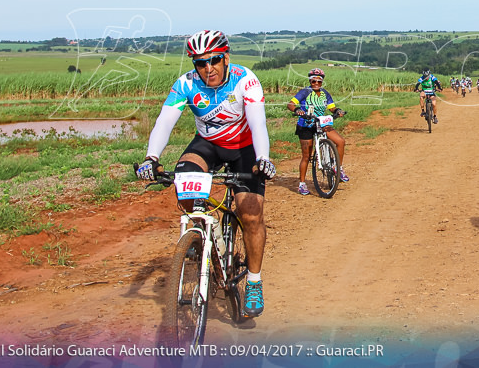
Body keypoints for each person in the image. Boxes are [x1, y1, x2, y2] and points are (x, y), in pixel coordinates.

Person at [136, 29, 275, 317]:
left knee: (249, 213)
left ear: (225, 58)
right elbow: (165, 121)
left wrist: (263, 159)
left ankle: (254, 281)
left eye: (213, 60)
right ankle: (202, 238)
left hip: (244, 147)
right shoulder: (186, 84)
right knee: (184, 185)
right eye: (200, 63)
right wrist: (151, 158)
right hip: (208, 144)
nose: (207, 68)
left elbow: (258, 124)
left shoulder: (244, 79)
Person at [287, 68, 350, 195]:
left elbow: (331, 107)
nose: (316, 83)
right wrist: (297, 110)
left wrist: (337, 111)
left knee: (340, 141)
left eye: (319, 81)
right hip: (306, 125)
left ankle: (338, 168)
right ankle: (302, 184)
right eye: (313, 81)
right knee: (306, 156)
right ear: (310, 81)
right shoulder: (305, 92)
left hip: (321, 122)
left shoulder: (325, 93)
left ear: (322, 82)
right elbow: (291, 104)